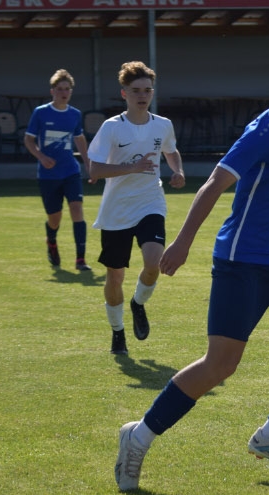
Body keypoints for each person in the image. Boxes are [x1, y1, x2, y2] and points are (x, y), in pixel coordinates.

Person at [114, 39, 269, 492]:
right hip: (241, 263)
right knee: (220, 365)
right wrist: (182, 242)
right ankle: (138, 436)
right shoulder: (265, 131)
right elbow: (214, 183)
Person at [87, 61, 185, 355]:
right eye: (136, 91)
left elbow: (171, 151)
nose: (142, 96)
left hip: (150, 202)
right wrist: (132, 167)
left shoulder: (162, 124)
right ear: (124, 93)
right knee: (115, 276)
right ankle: (117, 332)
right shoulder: (112, 127)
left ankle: (138, 303)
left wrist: (177, 171)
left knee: (154, 263)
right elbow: (94, 170)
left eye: (147, 90)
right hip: (116, 210)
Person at [23, 69, 91, 271]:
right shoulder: (41, 112)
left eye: (67, 89)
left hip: (70, 171)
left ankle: (81, 259)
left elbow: (79, 138)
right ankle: (51, 240)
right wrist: (42, 157)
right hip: (48, 175)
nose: (64, 93)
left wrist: (88, 164)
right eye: (60, 89)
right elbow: (28, 140)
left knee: (77, 209)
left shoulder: (75, 114)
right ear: (52, 91)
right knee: (55, 218)